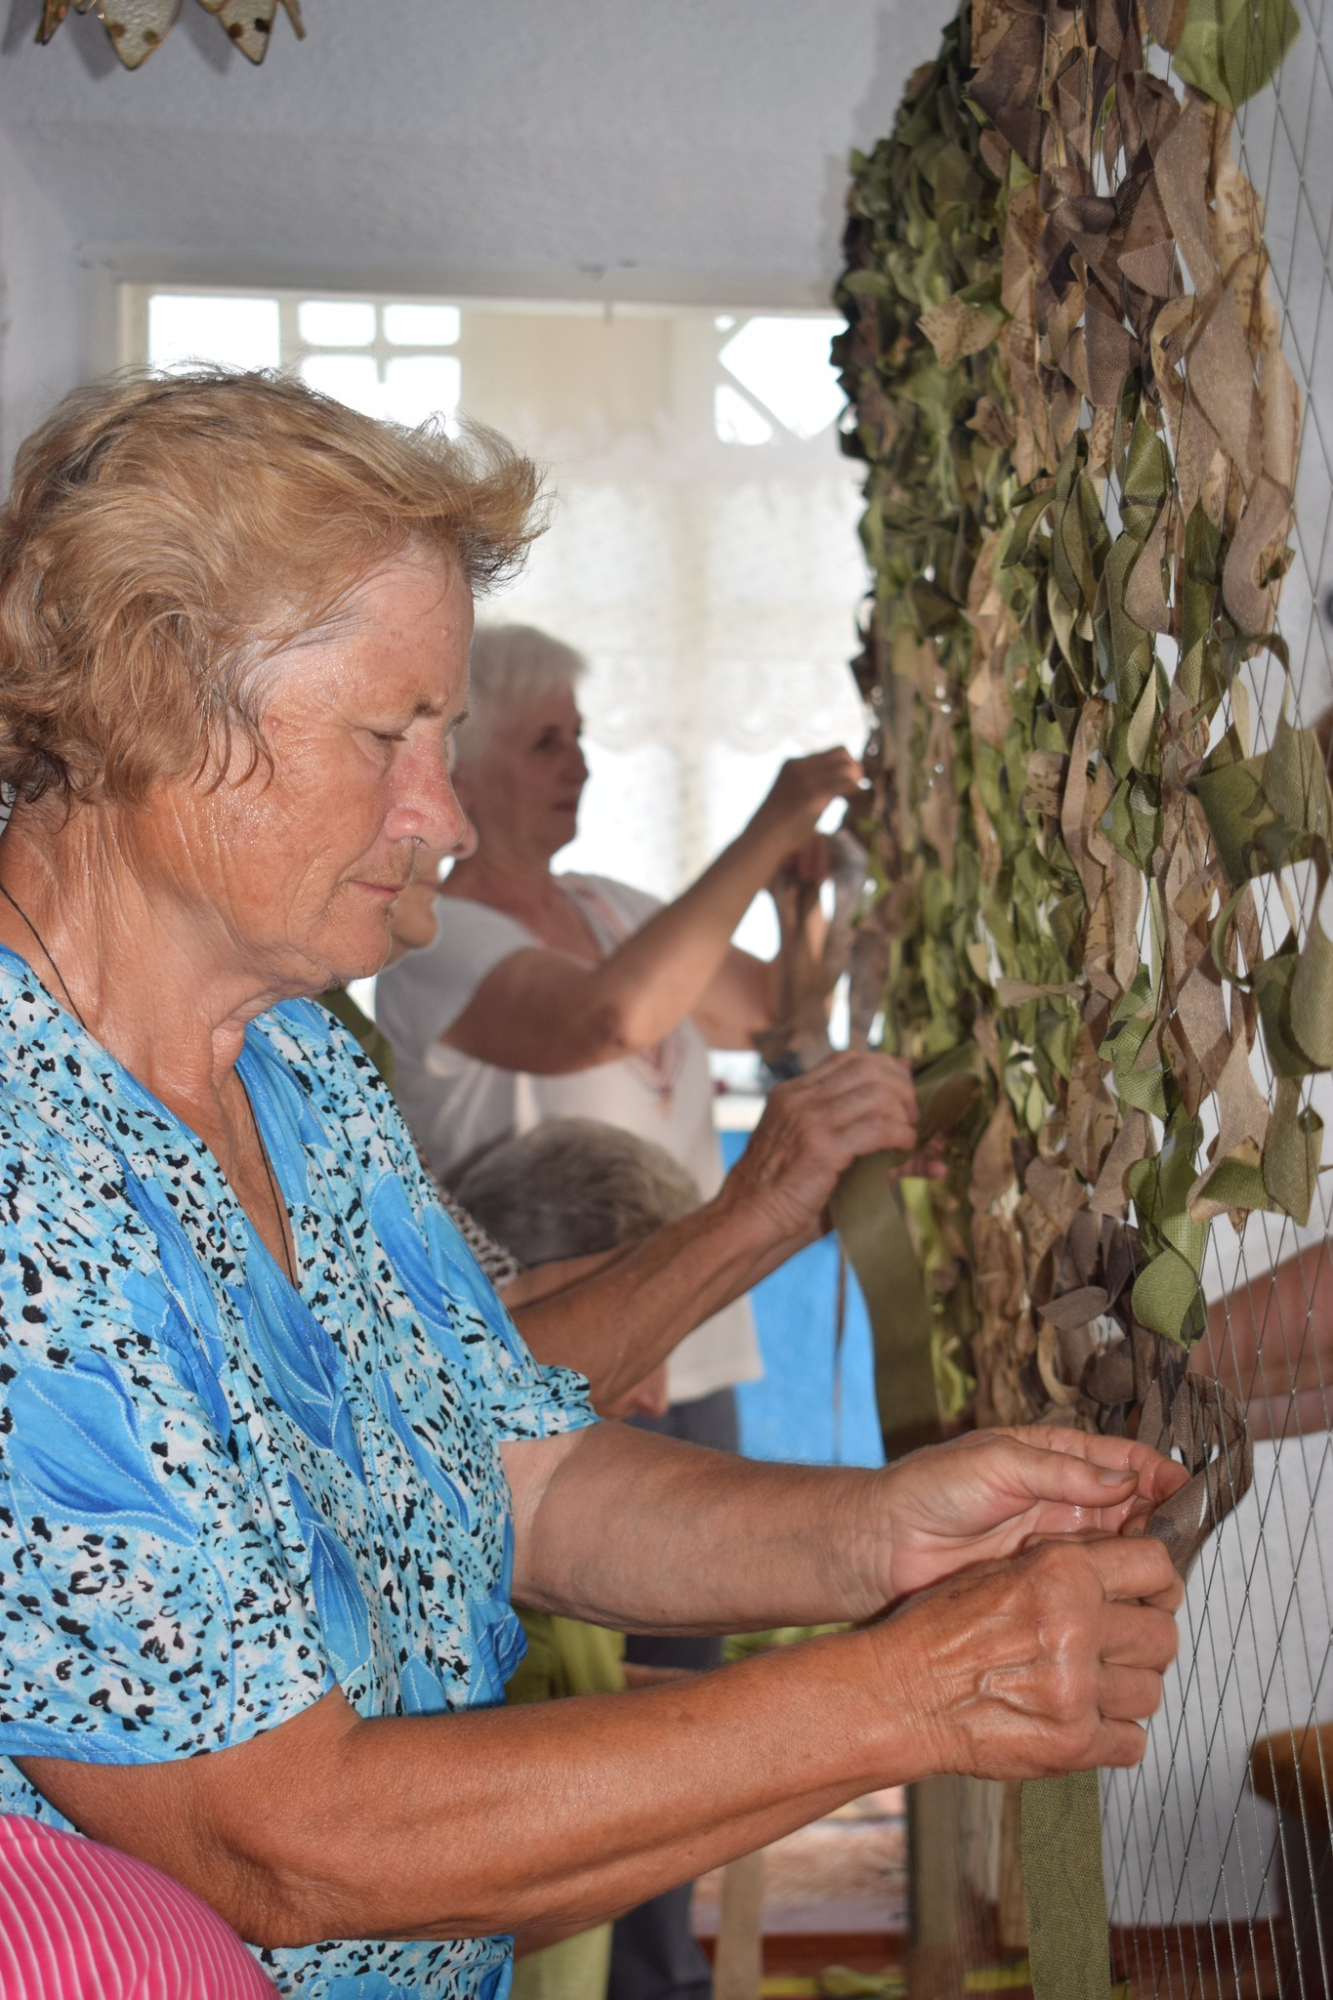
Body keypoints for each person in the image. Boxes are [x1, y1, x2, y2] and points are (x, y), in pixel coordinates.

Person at [0, 370, 1186, 2000]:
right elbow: (276, 1838)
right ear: (153, 699)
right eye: (386, 736)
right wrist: (905, 1694)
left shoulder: (295, 1068)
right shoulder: (29, 1185)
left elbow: (523, 1473)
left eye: (445, 742)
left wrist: (878, 1538)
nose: (439, 815)